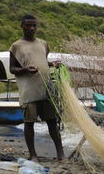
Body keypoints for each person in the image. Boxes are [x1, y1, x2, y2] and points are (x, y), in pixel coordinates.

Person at [9, 14, 65, 161]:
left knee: (52, 121)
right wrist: (25, 69)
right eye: (28, 25)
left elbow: (43, 61)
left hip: (46, 89)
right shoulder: (16, 46)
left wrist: (52, 64)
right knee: (29, 123)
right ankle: (33, 154)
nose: (32, 28)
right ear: (22, 26)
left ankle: (60, 153)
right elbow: (12, 69)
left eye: (34, 25)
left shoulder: (43, 43)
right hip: (29, 91)